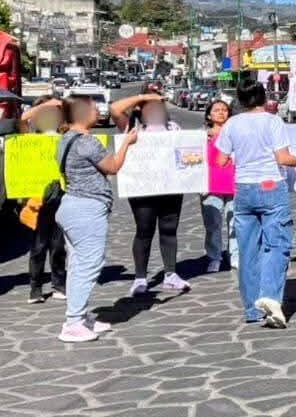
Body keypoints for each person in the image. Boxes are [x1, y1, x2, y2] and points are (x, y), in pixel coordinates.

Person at [213, 81, 296, 329]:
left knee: (247, 250)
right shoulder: (273, 122)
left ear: (240, 100)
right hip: (271, 186)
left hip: (243, 189)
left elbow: (221, 160)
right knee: (277, 244)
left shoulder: (232, 124)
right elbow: (283, 158)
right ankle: (271, 296)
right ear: (264, 98)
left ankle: (252, 309)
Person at [52, 94, 140, 343]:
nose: (98, 111)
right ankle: (73, 323)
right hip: (87, 208)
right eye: (93, 108)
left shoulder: (66, 139)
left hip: (72, 204)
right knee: (89, 265)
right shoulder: (87, 141)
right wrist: (127, 143)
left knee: (77, 265)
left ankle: (80, 316)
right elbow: (112, 167)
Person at [111, 85, 190, 298]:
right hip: (142, 189)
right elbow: (115, 109)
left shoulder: (173, 127)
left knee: (169, 229)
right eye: (150, 105)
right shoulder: (133, 126)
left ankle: (171, 274)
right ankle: (140, 278)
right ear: (141, 107)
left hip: (171, 187)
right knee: (144, 230)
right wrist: (144, 96)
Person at [19, 97, 68, 304]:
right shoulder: (31, 138)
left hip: (61, 196)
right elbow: (23, 119)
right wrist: (45, 105)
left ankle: (58, 284)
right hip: (37, 199)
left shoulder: (65, 137)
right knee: (38, 246)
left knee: (58, 245)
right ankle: (35, 287)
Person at [201, 99, 239, 274]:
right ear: (209, 115)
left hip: (234, 183)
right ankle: (214, 257)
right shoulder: (202, 137)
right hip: (211, 185)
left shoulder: (235, 133)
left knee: (235, 223)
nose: (221, 113)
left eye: (224, 110)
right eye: (216, 110)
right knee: (212, 224)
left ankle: (235, 255)